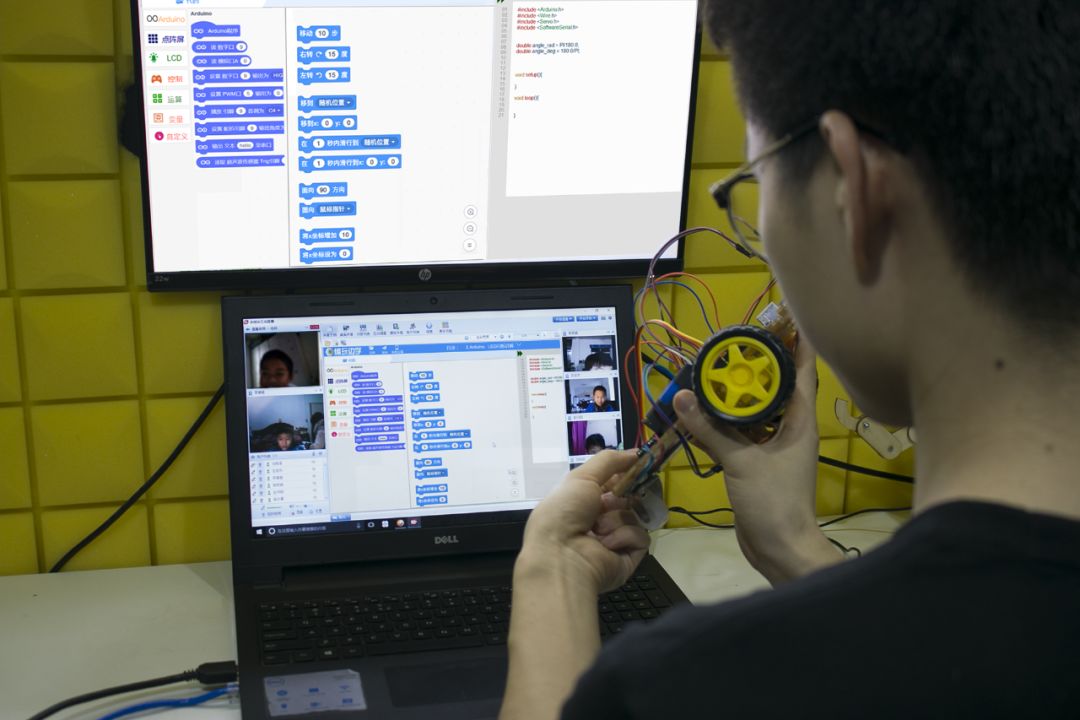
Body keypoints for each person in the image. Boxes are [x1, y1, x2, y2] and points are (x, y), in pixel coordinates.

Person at [501, 2, 1080, 718]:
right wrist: (793, 546)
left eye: (754, 185)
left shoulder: (678, 688)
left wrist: (551, 573)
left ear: (854, 192)